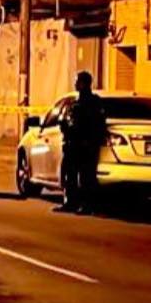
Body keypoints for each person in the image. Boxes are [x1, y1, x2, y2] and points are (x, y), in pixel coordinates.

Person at [60, 70, 107, 213]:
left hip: (86, 145)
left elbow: (98, 124)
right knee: (70, 175)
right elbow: (68, 121)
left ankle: (87, 205)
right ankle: (71, 202)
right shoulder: (74, 102)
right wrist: (65, 127)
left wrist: (91, 141)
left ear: (84, 84)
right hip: (72, 145)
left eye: (77, 81)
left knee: (87, 176)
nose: (75, 84)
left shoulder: (94, 102)